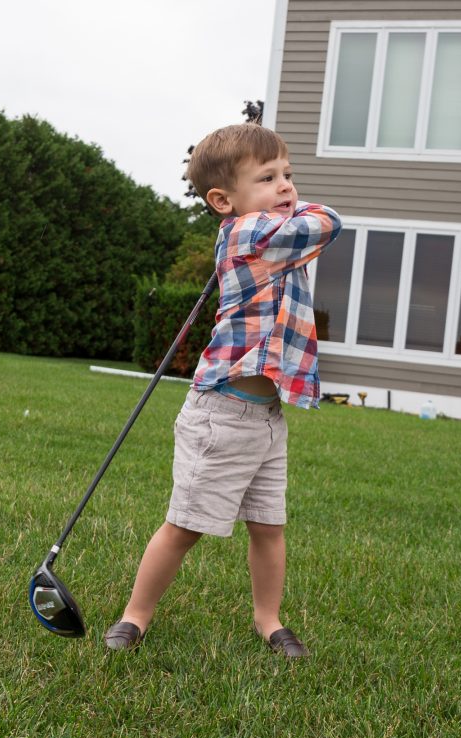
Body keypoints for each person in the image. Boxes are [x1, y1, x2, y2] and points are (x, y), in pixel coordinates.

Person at [105, 123, 341, 658]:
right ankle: (135, 616)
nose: (285, 185)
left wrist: (280, 198)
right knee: (185, 525)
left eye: (287, 174)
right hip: (221, 415)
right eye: (267, 178)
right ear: (223, 201)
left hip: (266, 418)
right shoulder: (247, 234)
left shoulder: (282, 237)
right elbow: (328, 222)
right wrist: (297, 211)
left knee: (269, 527)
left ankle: (269, 620)